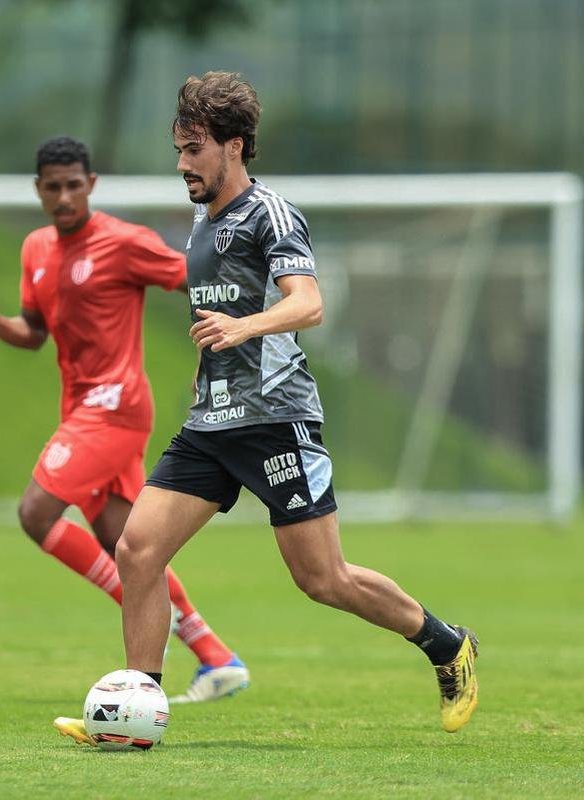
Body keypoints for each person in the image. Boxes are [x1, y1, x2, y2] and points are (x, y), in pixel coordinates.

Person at [110, 72, 479, 736]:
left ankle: (447, 644)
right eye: (179, 148)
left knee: (322, 578)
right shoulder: (202, 223)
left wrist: (243, 329)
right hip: (213, 422)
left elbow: (308, 303)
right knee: (138, 551)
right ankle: (140, 712)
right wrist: (206, 367)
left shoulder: (270, 214)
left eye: (194, 148)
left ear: (235, 146)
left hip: (276, 419)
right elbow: (213, 311)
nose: (182, 164)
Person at [0, 137, 251, 738]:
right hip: (81, 408)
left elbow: (196, 278)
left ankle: (142, 630)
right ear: (39, 190)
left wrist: (223, 343)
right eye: (52, 185)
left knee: (35, 512)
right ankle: (217, 656)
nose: (64, 195)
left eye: (74, 184)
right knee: (126, 542)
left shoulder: (122, 242)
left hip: (116, 407)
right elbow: (35, 332)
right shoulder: (36, 248)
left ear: (91, 185)